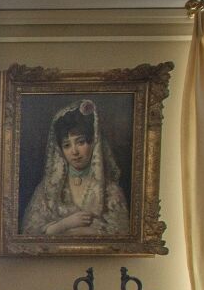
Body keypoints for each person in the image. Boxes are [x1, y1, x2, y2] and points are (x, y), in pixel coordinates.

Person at [21, 100, 129, 238]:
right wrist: (63, 225)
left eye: (81, 142)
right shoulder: (48, 189)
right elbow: (29, 233)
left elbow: (122, 235)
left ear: (94, 143)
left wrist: (88, 232)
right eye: (67, 145)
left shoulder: (110, 190)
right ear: (60, 150)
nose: (74, 152)